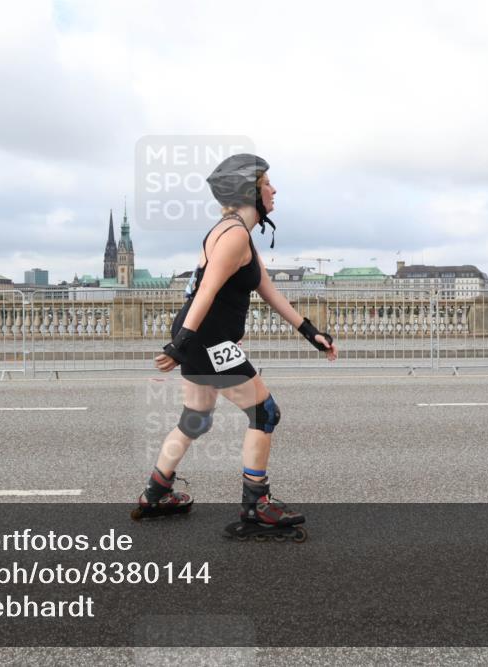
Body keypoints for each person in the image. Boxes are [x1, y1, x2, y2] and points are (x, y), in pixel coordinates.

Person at [132, 154, 337, 539]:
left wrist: (309, 331)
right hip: (208, 341)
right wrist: (180, 346)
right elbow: (205, 292)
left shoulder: (236, 231)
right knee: (265, 413)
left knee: (196, 419)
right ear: (250, 192)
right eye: (267, 185)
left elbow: (268, 290)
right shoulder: (234, 236)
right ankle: (256, 504)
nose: (274, 190)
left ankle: (156, 492)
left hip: (203, 340)